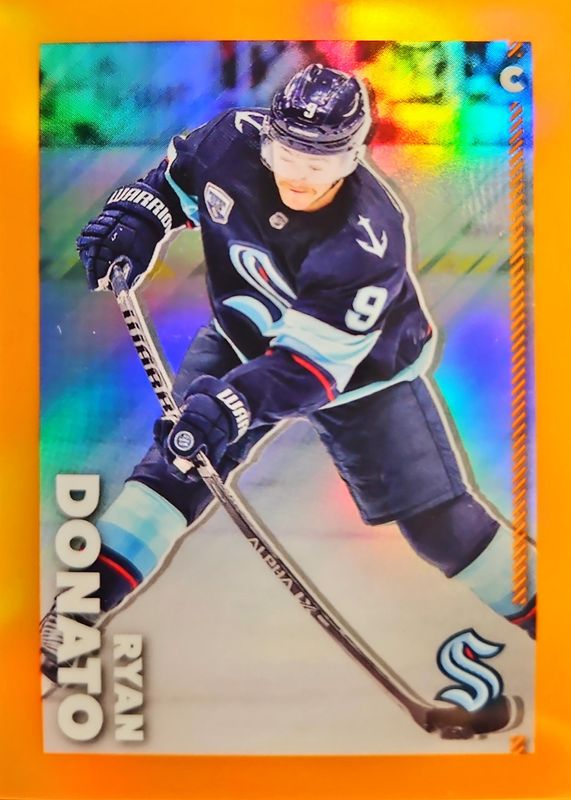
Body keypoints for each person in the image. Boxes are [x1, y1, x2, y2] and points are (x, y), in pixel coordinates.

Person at [41, 64, 536, 686]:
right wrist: (137, 222)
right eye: (287, 153)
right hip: (241, 337)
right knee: (174, 470)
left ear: (353, 157)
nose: (300, 174)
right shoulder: (229, 143)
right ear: (266, 137)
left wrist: (228, 408)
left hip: (362, 375)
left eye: (321, 161)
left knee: (444, 529)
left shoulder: (366, 239)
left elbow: (309, 370)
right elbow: (169, 187)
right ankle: (73, 619)